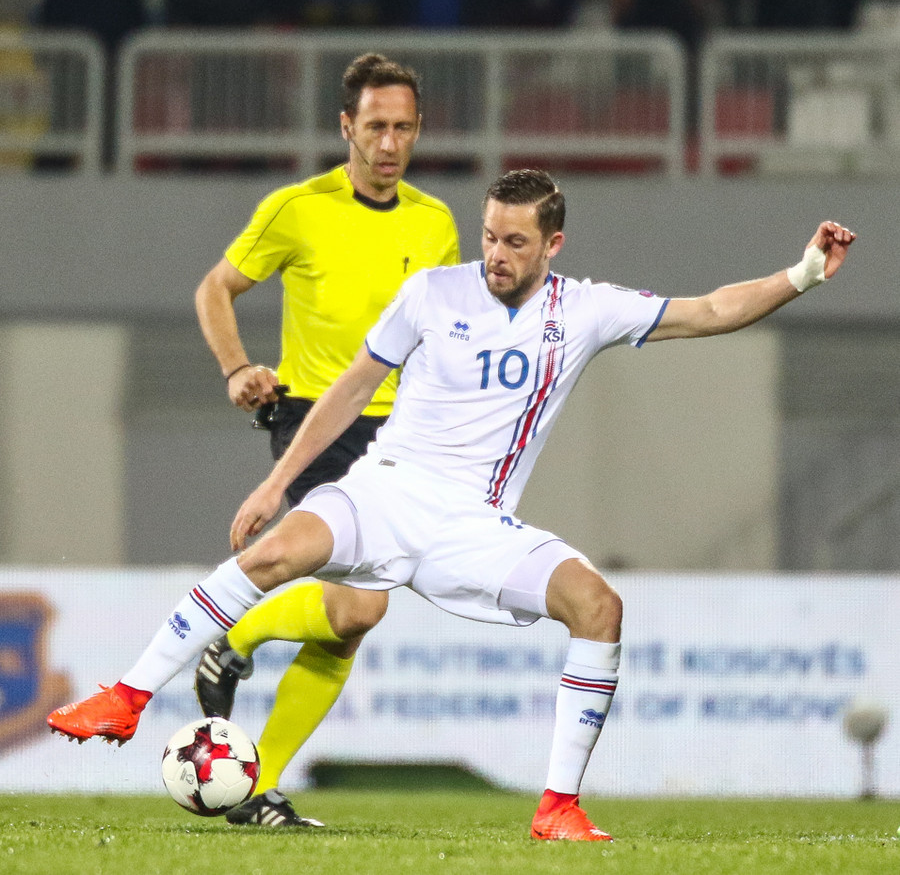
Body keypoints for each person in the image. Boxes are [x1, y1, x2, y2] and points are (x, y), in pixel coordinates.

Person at [47, 169, 855, 841]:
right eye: (490, 236)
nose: (496, 254)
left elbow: (711, 309)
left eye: (515, 242)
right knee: (272, 554)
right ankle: (128, 697)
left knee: (598, 605)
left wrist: (802, 275)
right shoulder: (432, 293)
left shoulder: (585, 309)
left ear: (553, 244)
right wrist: (274, 482)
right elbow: (350, 390)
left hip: (472, 524)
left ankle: (558, 806)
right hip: (383, 487)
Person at [189, 52, 460, 826]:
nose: (389, 143)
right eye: (375, 126)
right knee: (362, 607)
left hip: (402, 436)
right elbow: (215, 287)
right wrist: (237, 368)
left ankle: (254, 780)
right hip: (316, 424)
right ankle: (235, 638)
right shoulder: (297, 209)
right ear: (346, 126)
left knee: (346, 623)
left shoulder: (435, 223)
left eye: (403, 127)